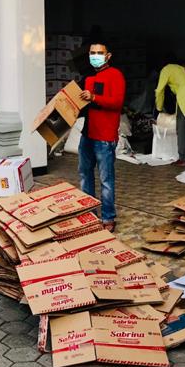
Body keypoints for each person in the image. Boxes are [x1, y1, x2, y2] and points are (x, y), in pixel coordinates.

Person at [77, 43, 125, 232]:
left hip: (104, 137)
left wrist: (94, 98)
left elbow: (117, 102)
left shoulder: (115, 76)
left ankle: (108, 217)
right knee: (84, 175)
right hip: (87, 134)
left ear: (108, 55)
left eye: (99, 53)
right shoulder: (88, 78)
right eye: (92, 53)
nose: (95, 56)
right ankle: (89, 214)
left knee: (106, 180)